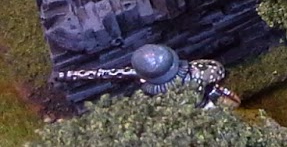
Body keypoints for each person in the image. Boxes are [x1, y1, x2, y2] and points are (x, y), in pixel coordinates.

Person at [54, 44, 239, 109]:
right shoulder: (197, 71)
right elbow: (217, 69)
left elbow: (217, 72)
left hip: (207, 100)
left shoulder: (198, 73)